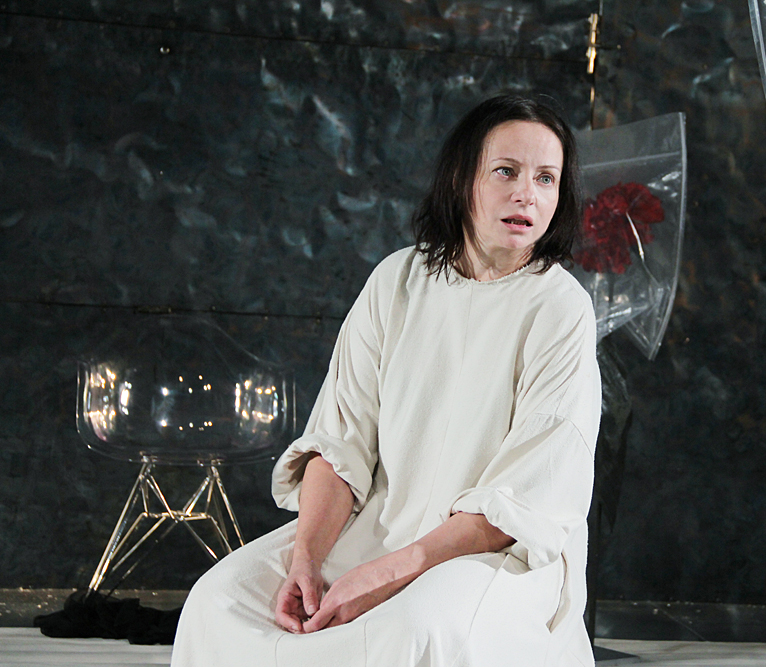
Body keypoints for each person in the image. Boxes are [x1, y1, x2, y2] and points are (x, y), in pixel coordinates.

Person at [170, 94, 601, 667]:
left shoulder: (561, 309)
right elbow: (338, 442)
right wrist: (306, 560)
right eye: (506, 171)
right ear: (461, 179)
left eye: (546, 178)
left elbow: (523, 501)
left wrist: (392, 573)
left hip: (492, 555)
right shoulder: (396, 280)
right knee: (218, 601)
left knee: (411, 631)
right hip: (374, 528)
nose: (528, 194)